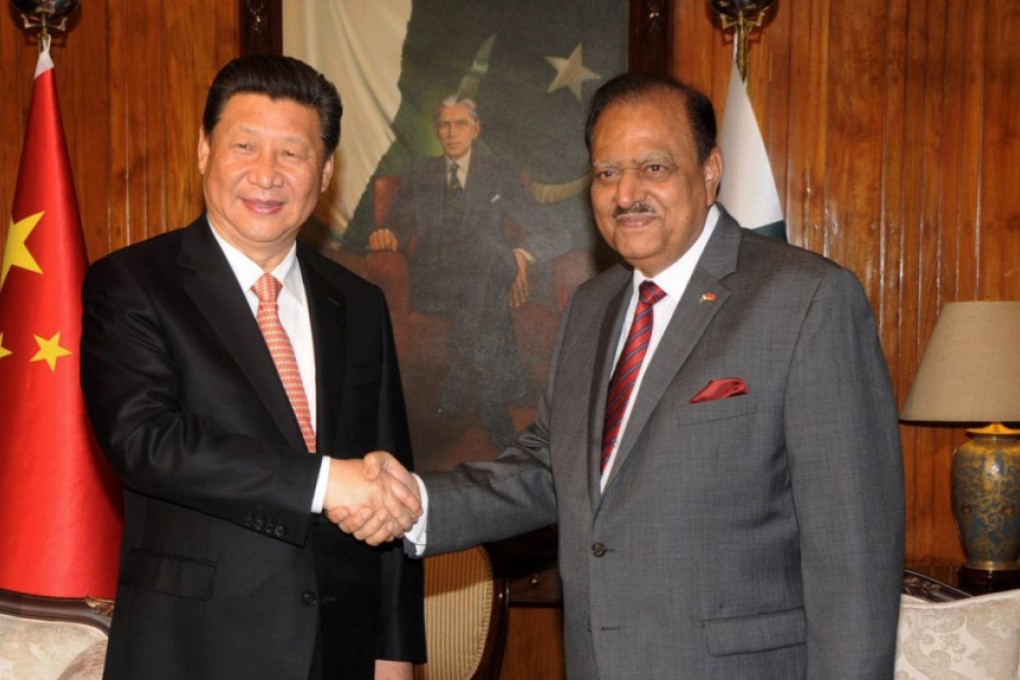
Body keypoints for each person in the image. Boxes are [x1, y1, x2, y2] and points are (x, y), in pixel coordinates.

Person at [343, 73, 905, 678]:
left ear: (711, 170)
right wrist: (413, 503)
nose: (626, 192)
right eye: (607, 173)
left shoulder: (807, 301)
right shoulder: (592, 307)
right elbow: (549, 470)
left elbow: (854, 555)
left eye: (654, 169)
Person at [81, 55, 425, 680]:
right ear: (205, 152)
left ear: (323, 174)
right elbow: (146, 442)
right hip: (191, 651)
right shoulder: (132, 284)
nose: (266, 175)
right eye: (244, 146)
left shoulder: (360, 302)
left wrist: (394, 652)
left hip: (341, 651)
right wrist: (325, 482)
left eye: (292, 154)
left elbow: (388, 470)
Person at [368, 95, 569, 450]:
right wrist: (388, 235)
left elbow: (555, 231)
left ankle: (471, 389)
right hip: (433, 284)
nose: (451, 132)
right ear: (435, 130)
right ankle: (496, 396)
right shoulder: (420, 174)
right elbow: (396, 226)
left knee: (486, 274)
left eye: (460, 123)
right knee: (490, 280)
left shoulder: (498, 174)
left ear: (476, 129)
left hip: (484, 282)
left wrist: (522, 255)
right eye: (444, 124)